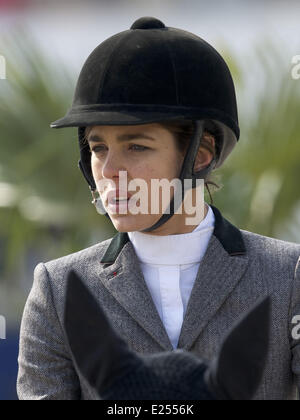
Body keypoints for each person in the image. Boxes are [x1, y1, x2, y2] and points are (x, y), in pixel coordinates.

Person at [17, 16, 300, 400]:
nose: (110, 171)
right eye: (98, 148)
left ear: (200, 154)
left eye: (136, 146)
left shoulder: (289, 276)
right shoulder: (57, 289)